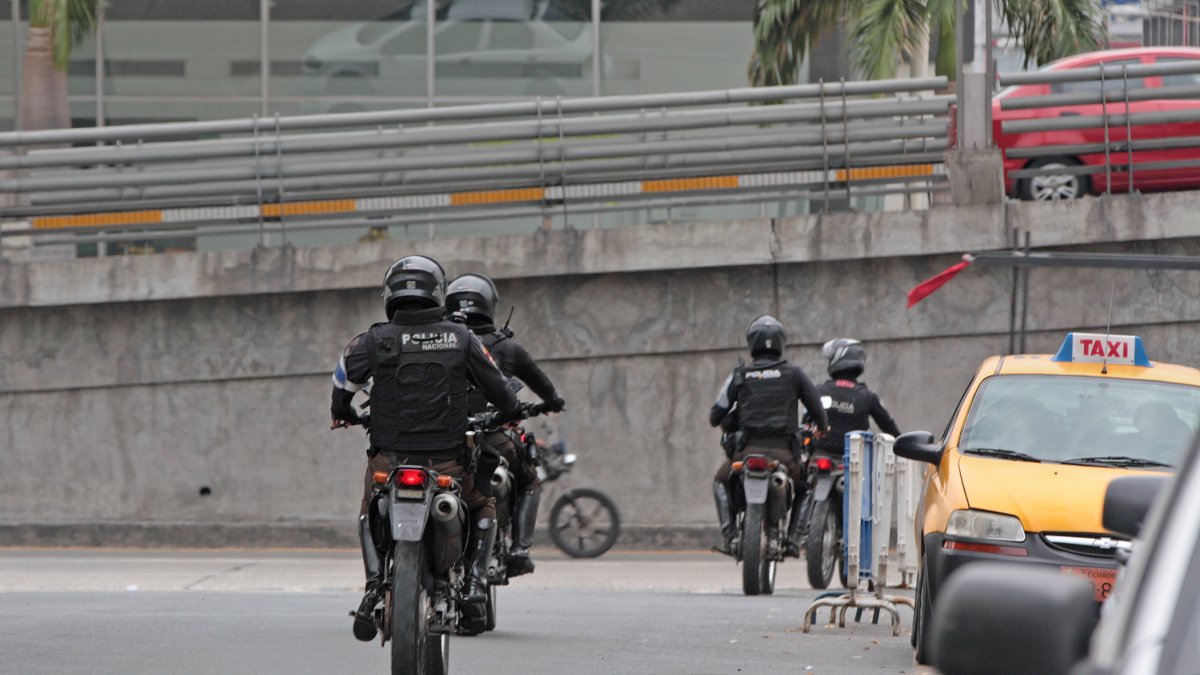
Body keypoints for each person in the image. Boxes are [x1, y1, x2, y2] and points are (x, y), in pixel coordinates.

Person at [331, 255, 520, 642]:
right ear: (437, 292)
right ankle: (473, 586)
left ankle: (372, 586)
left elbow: (340, 388)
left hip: (390, 462)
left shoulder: (370, 340)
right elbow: (501, 389)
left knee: (370, 508)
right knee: (483, 503)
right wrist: (509, 410)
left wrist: (345, 413)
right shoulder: (461, 337)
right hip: (448, 462)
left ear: (390, 294)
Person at [445, 272, 566, 577]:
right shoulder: (506, 348)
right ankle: (520, 550)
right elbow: (544, 387)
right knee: (529, 480)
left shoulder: (441, 341)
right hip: (490, 436)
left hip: (440, 438)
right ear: (488, 305)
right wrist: (551, 402)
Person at [709, 315, 830, 556]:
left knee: (719, 481)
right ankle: (794, 539)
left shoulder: (739, 374)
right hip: (786, 456)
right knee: (806, 485)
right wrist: (823, 427)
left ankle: (730, 534)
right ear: (780, 342)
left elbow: (715, 416)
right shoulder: (795, 374)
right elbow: (817, 410)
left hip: (745, 454)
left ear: (751, 342)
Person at [814, 338, 901, 457]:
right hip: (857, 461)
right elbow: (889, 426)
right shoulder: (867, 395)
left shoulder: (818, 390)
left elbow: (805, 421)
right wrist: (902, 444)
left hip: (819, 457)